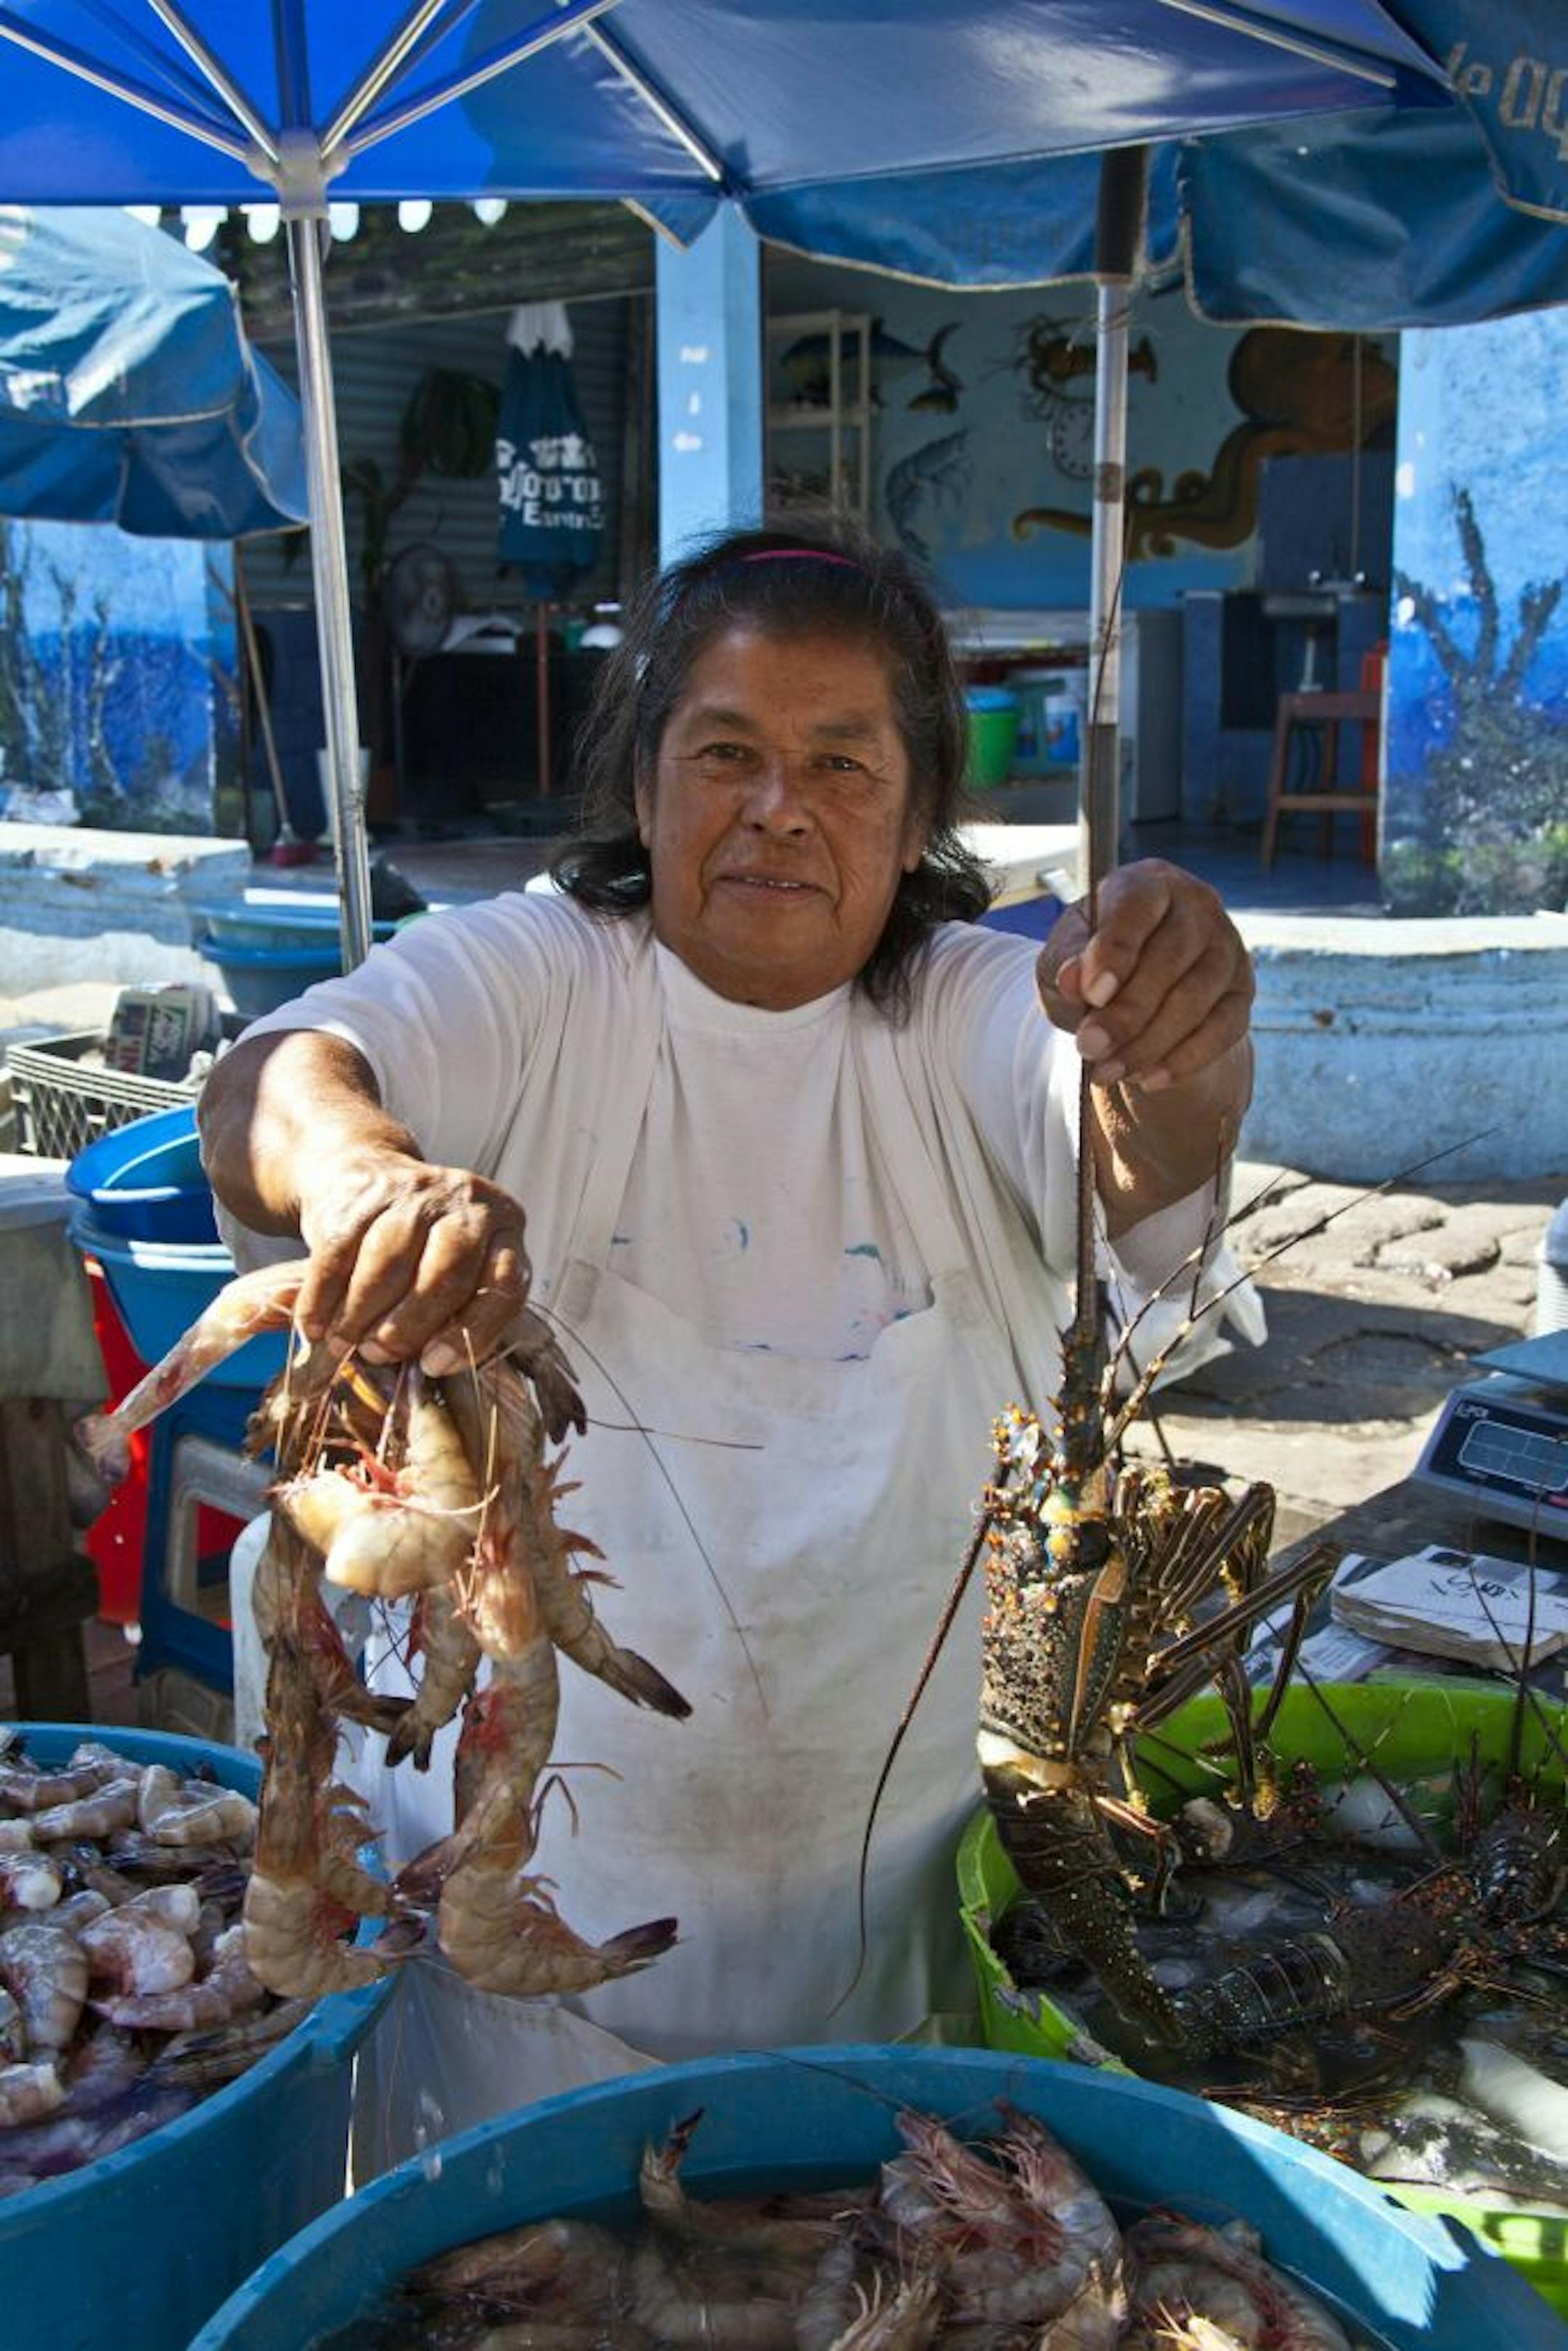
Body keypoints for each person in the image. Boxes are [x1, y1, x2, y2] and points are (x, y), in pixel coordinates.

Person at [198, 521, 1255, 2167]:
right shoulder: (538, 971)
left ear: (915, 819)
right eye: (728, 753)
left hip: (891, 1955)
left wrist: (1183, 1032)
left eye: (843, 761)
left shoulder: (979, 1008)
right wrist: (362, 1177)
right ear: (644, 787)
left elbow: (1129, 1139)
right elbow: (273, 1074)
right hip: (504, 1984)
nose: (781, 804)